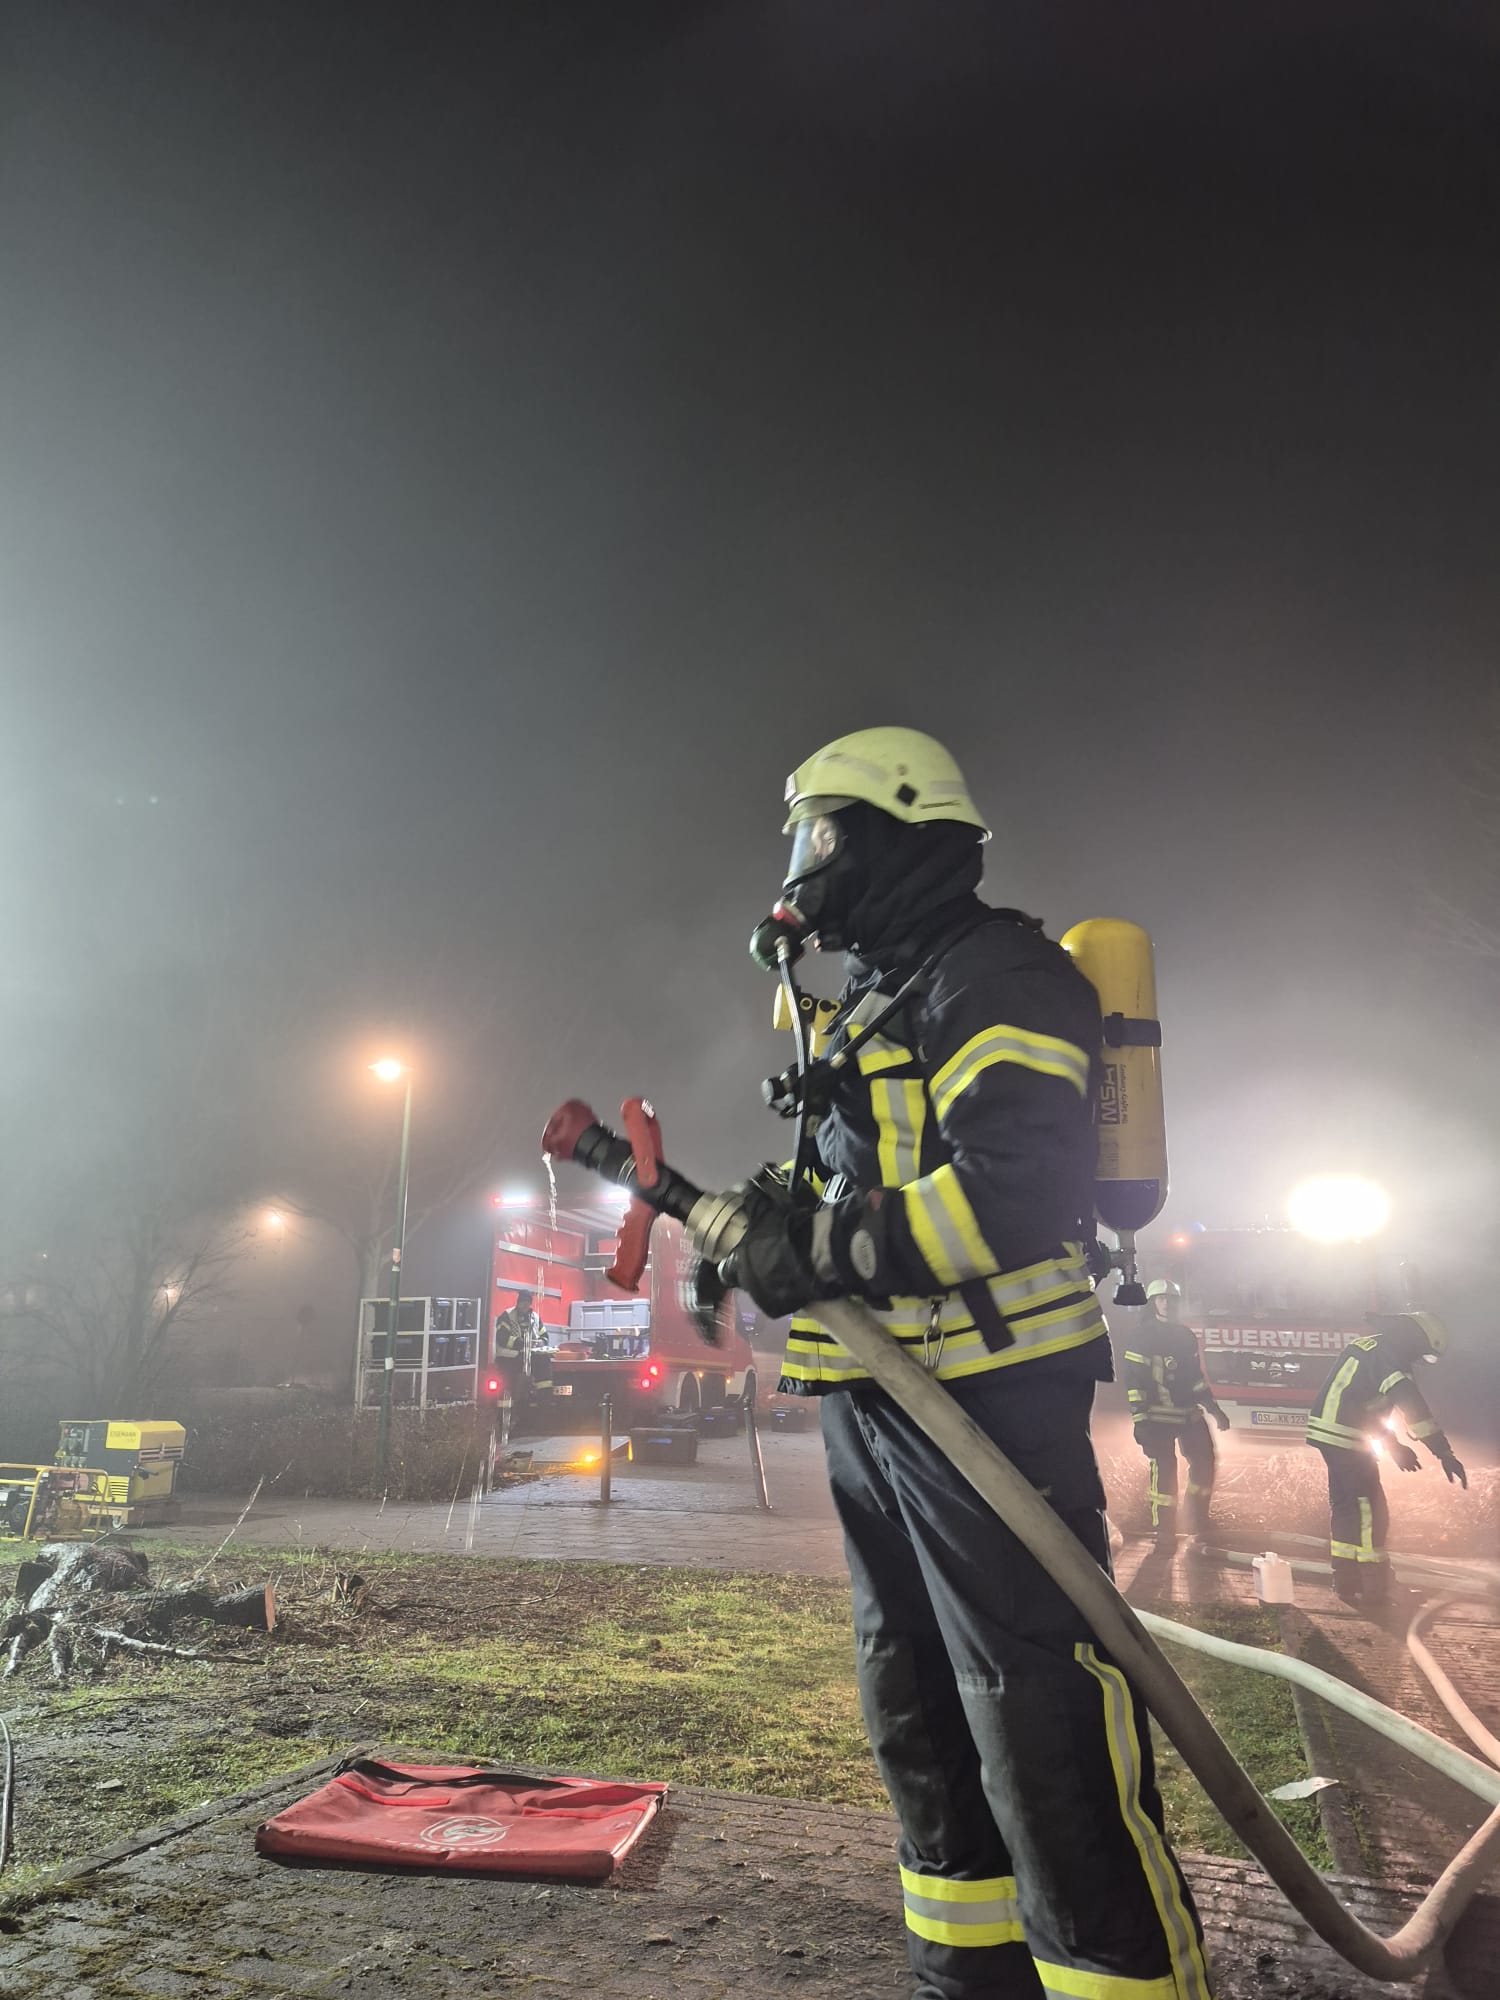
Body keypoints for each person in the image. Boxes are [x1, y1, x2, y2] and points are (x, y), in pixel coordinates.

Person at [718, 728, 1212, 2000]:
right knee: (921, 1710)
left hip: (987, 1394)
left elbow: (1014, 1191)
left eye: (820, 833)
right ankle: (968, 1977)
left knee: (1037, 1715)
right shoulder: (880, 991)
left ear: (895, 828)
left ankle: (1123, 1983)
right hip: (878, 1393)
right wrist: (761, 1226)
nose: (802, 862)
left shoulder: (1001, 974)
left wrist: (811, 1246)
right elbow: (864, 1171)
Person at [1306, 1311, 1466, 1608]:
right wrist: (1444, 1452)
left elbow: (1365, 1408)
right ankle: (1376, 1588)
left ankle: (1346, 1582)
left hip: (1330, 1434)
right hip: (1348, 1437)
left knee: (1346, 1509)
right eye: (1423, 1354)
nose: (1420, 1361)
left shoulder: (1370, 1347)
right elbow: (1415, 1412)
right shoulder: (1391, 1361)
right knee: (1371, 1511)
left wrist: (1392, 1445)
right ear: (1414, 1339)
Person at [1125, 1280, 1230, 1542]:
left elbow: (1195, 1378)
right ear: (1152, 1303)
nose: (1166, 1303)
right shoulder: (1142, 1336)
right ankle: (1164, 1529)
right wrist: (1140, 1419)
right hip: (1156, 1417)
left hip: (1188, 1414)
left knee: (1205, 1461)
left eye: (1171, 1299)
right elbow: (1134, 1380)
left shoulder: (1185, 1336)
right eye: (1161, 1298)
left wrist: (1214, 1409)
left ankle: (1196, 1519)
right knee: (1165, 1469)